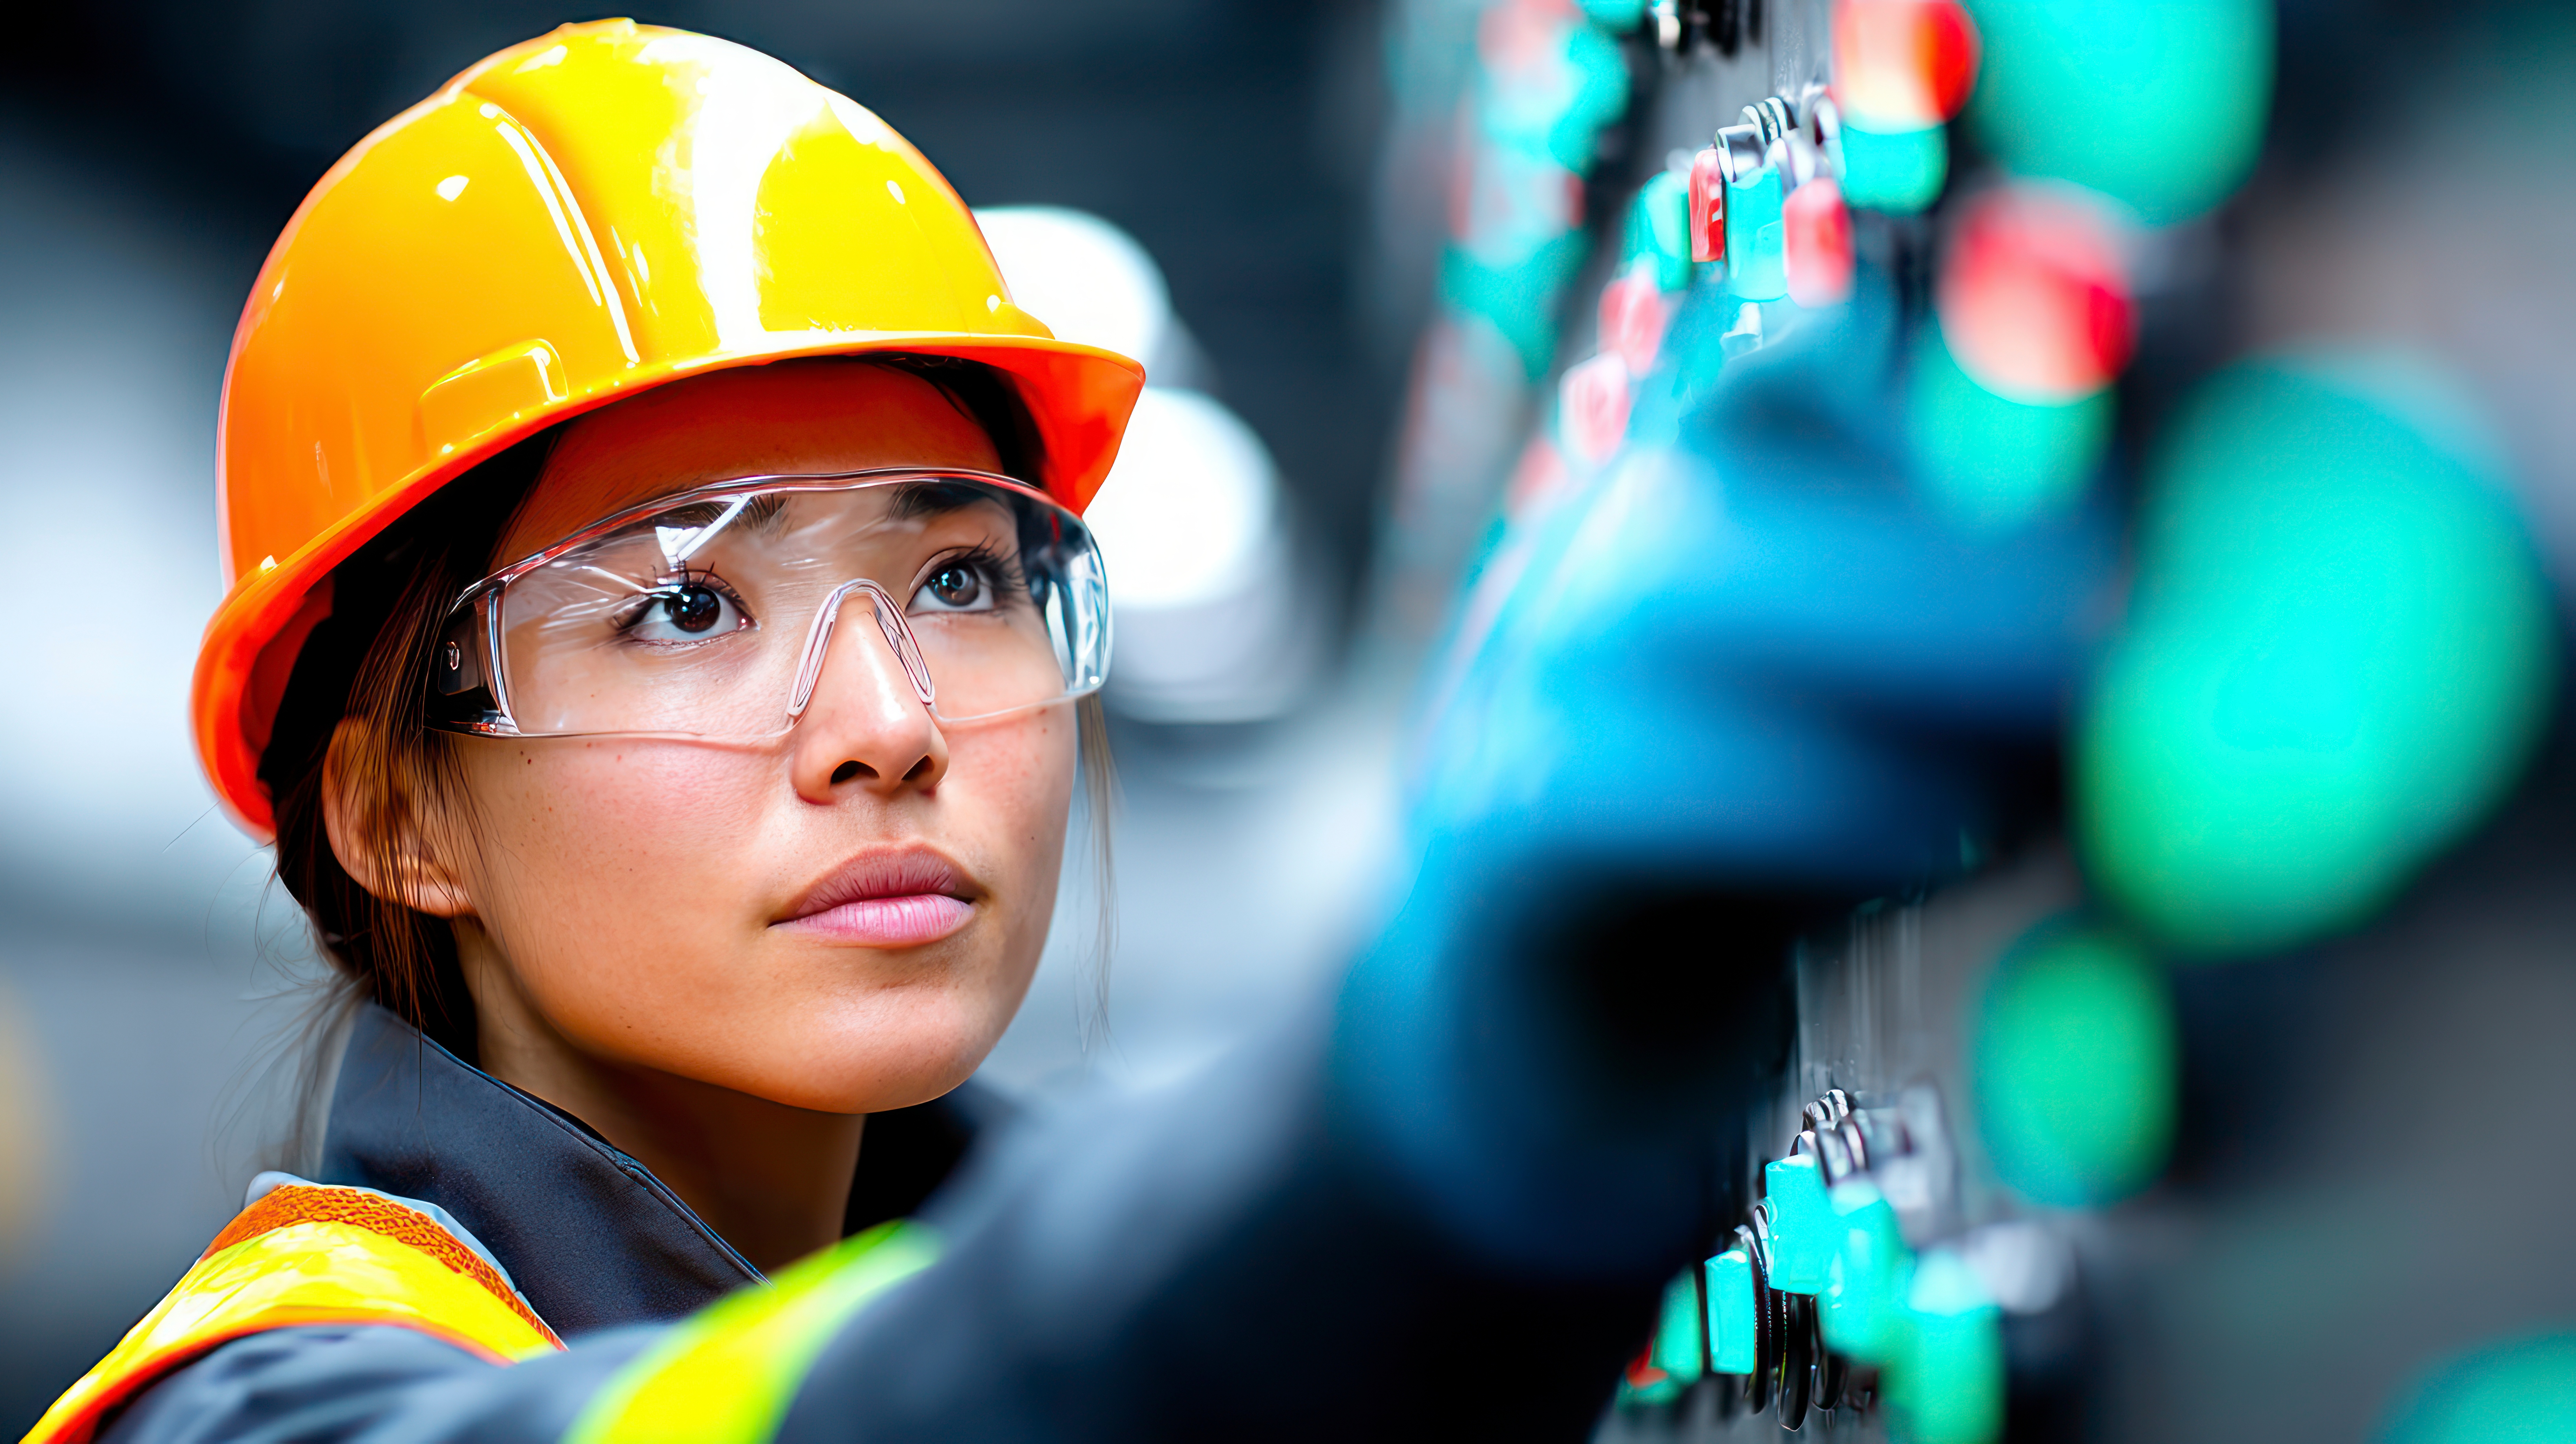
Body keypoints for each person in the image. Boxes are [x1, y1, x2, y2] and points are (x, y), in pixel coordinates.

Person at [26, 20, 2052, 1444]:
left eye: (963, 580)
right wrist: (1410, 1131)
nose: (889, 728)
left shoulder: (1006, 1226)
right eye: (683, 604)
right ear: (400, 818)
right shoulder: (255, 1404)